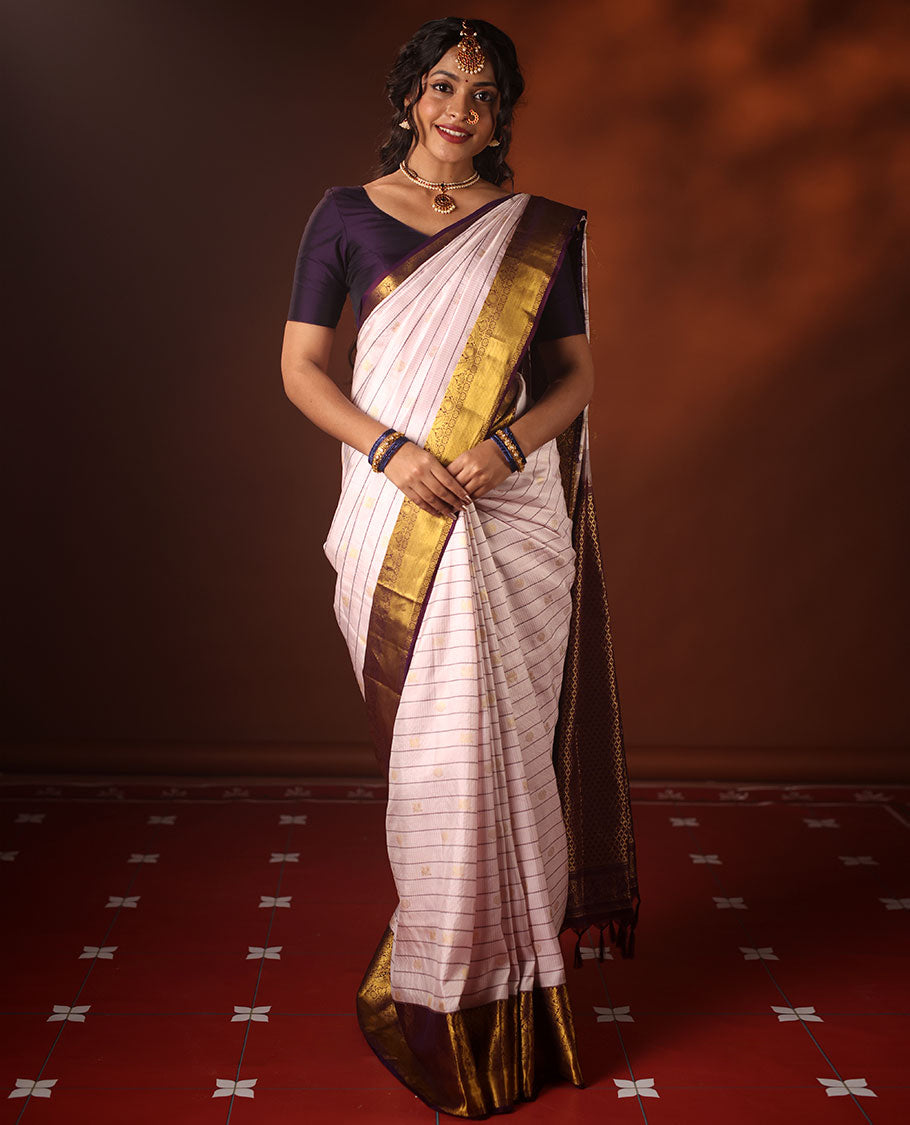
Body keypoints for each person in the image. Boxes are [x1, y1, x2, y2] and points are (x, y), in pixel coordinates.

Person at [280, 16, 641, 1119]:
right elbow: (301, 370)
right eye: (442, 87)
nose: (460, 111)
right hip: (398, 515)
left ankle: (523, 995)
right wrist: (389, 453)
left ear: (502, 116)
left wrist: (502, 449)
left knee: (511, 759)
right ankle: (441, 989)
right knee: (440, 766)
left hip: (507, 508)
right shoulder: (343, 216)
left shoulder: (537, 229)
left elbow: (574, 379)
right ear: (409, 96)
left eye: (484, 97)